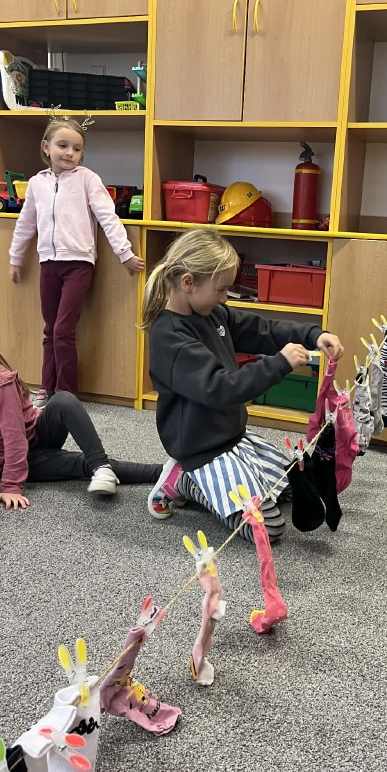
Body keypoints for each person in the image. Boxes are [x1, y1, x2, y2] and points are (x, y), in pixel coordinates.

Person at [142, 229, 344, 543]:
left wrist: (313, 335)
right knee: (269, 529)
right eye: (221, 289)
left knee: (299, 483)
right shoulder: (170, 338)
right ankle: (185, 482)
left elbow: (263, 329)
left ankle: (206, 483)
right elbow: (222, 389)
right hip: (202, 450)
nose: (225, 297)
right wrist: (279, 363)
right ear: (188, 283)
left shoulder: (212, 312)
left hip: (232, 437)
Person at [0, 298, 161, 510]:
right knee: (80, 465)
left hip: (37, 434)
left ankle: (103, 468)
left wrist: (12, 486)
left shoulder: (0, 381)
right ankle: (160, 473)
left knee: (64, 400)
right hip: (20, 460)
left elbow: (14, 434)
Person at [8, 117, 145, 408]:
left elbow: (108, 217)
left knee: (63, 330)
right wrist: (15, 258)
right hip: (48, 263)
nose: (70, 153)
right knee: (50, 330)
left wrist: (125, 254)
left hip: (79, 264)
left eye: (77, 148)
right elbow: (26, 224)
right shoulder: (37, 184)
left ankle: (67, 392)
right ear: (46, 147)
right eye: (63, 145)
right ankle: (47, 387)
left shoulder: (88, 180)